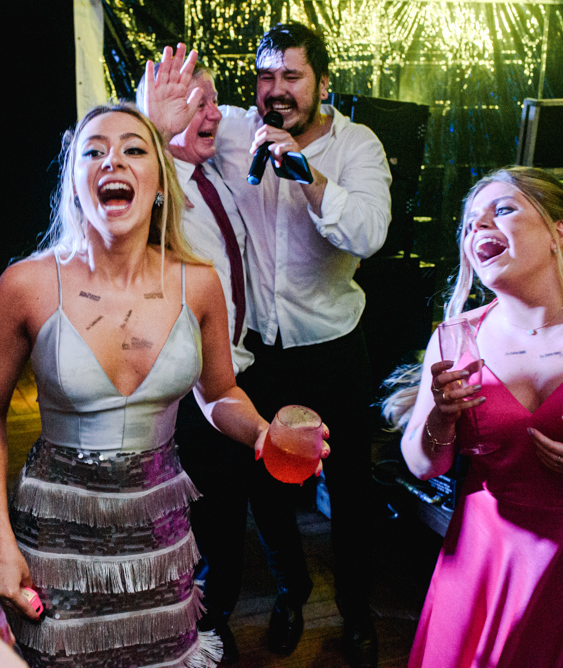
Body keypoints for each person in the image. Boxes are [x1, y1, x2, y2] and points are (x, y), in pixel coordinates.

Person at [0, 101, 298, 666]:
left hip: (157, 530)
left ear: (161, 182)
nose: (112, 161)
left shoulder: (199, 283)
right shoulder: (25, 286)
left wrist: (262, 432)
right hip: (58, 532)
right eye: (93, 151)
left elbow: (220, 392)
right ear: (74, 184)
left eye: (133, 149)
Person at [147, 27, 390, 665]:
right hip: (261, 352)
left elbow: (368, 233)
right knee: (269, 486)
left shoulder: (358, 145)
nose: (276, 91)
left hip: (333, 346)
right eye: (266, 77)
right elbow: (165, 137)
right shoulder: (229, 128)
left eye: (292, 77)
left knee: (350, 489)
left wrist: (307, 175)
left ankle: (356, 612)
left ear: (323, 83)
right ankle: (290, 593)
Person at [396, 167, 563, 668]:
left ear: (559, 230)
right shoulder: (455, 338)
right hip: (484, 558)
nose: (479, 227)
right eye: (469, 224)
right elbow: (422, 466)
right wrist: (441, 422)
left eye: (502, 210)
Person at [137, 61, 253, 661]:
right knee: (186, 524)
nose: (213, 115)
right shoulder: (154, 193)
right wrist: (152, 133)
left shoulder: (217, 179)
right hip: (181, 393)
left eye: (214, 103)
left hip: (229, 377)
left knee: (226, 518)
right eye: (197, 104)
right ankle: (184, 632)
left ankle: (214, 623)